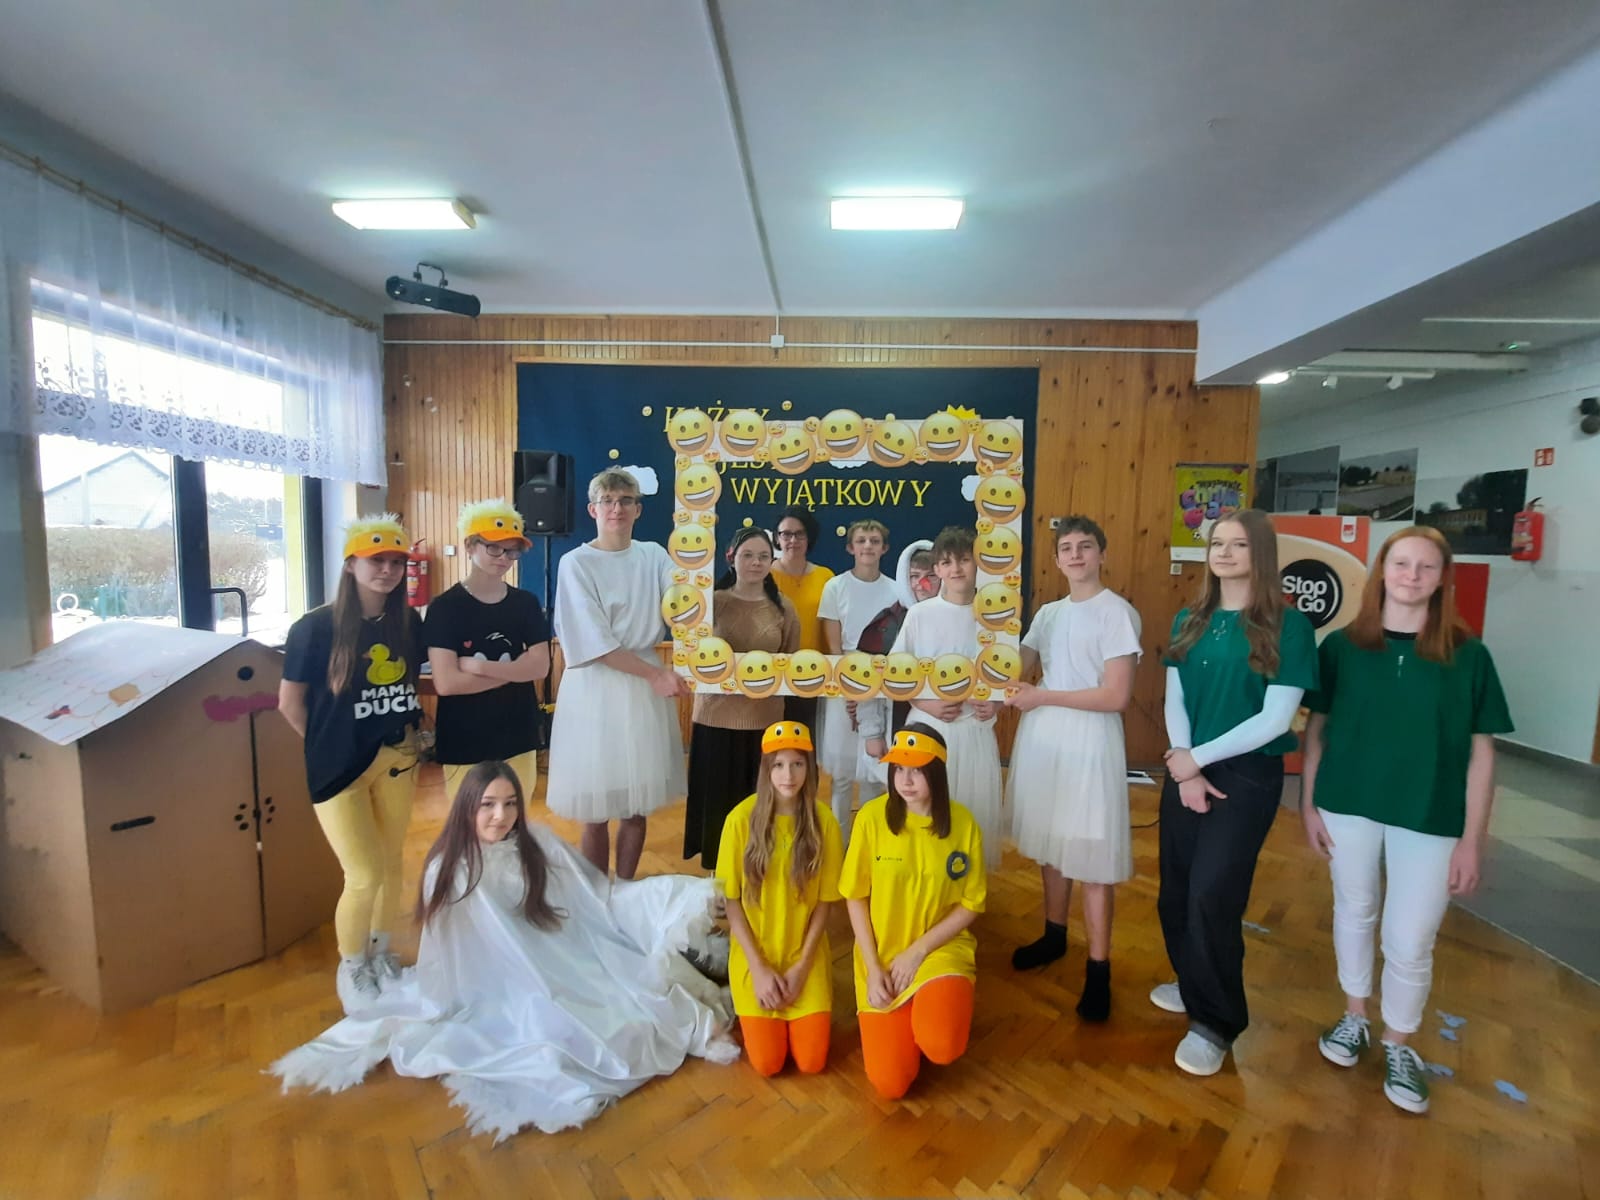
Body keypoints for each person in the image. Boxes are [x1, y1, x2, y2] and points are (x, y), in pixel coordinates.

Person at [270, 761, 738, 1141]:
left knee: (627, 1002)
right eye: (489, 805)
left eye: (510, 803)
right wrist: (536, 978)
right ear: (467, 808)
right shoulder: (450, 869)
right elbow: (471, 951)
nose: (501, 816)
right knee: (577, 1030)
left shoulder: (536, 844)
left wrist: (676, 893)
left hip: (566, 954)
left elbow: (593, 898)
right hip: (507, 981)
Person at [1300, 526, 1512, 1114]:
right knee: (1354, 909)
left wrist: (1472, 840)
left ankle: (1399, 1041)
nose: (1412, 576)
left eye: (1425, 567)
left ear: (1442, 579)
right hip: (1347, 804)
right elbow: (1316, 730)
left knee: (1411, 936)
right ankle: (1354, 1016)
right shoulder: (1342, 647)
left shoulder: (1468, 655)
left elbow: (1482, 753)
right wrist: (1308, 803)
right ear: (1382, 572)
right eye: (1401, 564)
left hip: (1431, 814)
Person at [1155, 508, 1318, 1076]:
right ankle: (1190, 980)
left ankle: (1215, 1022)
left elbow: (1275, 719)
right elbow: (1175, 698)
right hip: (1187, 768)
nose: (1223, 553)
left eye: (1239, 544)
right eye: (1217, 543)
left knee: (1212, 896)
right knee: (1176, 890)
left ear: (1261, 554)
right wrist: (1185, 766)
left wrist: (1196, 761)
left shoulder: (1287, 626)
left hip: (1246, 775)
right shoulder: (1190, 618)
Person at [279, 515, 424, 1013]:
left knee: (391, 861)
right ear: (350, 565)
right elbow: (290, 703)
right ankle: (353, 963)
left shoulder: (408, 622)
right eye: (376, 560)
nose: (387, 570)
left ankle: (381, 951)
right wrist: (329, 745)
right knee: (363, 873)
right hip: (339, 768)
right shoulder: (313, 628)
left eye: (396, 562)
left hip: (398, 758)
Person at [1005, 517, 1142, 1022]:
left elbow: (1116, 695)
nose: (1077, 554)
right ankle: (1054, 933)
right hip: (1045, 739)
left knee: (1092, 854)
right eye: (1067, 548)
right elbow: (1013, 666)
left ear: (1102, 553)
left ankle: (1099, 969)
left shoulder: (1117, 613)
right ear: (1057, 559)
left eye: (1086, 546)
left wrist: (1043, 696)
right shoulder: (1048, 613)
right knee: (1051, 841)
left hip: (1090, 740)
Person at [546, 469, 688, 878]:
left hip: (642, 691)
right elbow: (592, 641)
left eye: (625, 501)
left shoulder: (654, 555)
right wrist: (655, 676)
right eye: (607, 501)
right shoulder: (576, 563)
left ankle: (624, 888)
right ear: (593, 509)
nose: (616, 509)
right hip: (596, 688)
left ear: (638, 509)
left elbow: (682, 599)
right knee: (595, 810)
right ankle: (595, 894)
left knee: (635, 805)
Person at [840, 725, 986, 1100]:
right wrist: (874, 969)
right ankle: (914, 1017)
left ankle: (932, 1012)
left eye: (917, 771)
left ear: (937, 772)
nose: (905, 781)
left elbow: (971, 903)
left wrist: (918, 952)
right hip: (882, 957)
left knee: (942, 1044)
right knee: (890, 1084)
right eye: (899, 770)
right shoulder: (871, 818)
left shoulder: (964, 824)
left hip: (939, 950)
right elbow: (854, 897)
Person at [715, 721, 843, 1076]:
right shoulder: (739, 820)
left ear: (810, 768)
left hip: (804, 957)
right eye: (779, 765)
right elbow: (731, 901)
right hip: (756, 957)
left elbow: (825, 903)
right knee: (768, 1064)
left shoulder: (825, 823)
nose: (789, 775)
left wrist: (802, 968)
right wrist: (758, 970)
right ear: (766, 769)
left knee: (812, 1062)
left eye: (797, 764)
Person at [684, 527, 800, 869]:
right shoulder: (710, 604)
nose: (756, 562)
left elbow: (790, 661)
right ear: (731, 558)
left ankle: (757, 875)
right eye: (748, 555)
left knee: (759, 805)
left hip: (764, 723)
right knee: (717, 806)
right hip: (714, 720)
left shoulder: (784, 608)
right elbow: (692, 656)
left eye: (764, 556)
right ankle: (718, 881)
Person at [890, 526, 1005, 870]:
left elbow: (1005, 672)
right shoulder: (920, 615)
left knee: (971, 810)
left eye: (964, 560)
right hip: (928, 728)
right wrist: (925, 704)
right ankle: (921, 881)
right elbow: (897, 674)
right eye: (947, 562)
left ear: (978, 564)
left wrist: (995, 702)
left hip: (974, 732)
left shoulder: (994, 616)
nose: (956, 569)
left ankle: (964, 886)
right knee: (925, 810)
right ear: (937, 568)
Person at [424, 499, 551, 801]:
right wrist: (516, 670)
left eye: (512, 550)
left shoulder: (526, 603)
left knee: (516, 819)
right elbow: (447, 683)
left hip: (519, 734)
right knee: (469, 822)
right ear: (470, 546)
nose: (504, 557)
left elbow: (540, 667)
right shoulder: (444, 607)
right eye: (494, 547)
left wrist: (481, 667)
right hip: (464, 738)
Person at [816, 519, 901, 843]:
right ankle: (839, 844)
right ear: (851, 547)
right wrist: (849, 689)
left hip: (882, 683)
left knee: (873, 771)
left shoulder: (896, 590)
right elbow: (834, 644)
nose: (868, 546)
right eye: (862, 540)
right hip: (844, 680)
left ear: (884, 548)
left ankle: (867, 843)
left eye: (874, 540)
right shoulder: (835, 587)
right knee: (842, 776)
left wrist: (872, 690)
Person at [857, 540, 937, 755]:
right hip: (893, 722)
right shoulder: (887, 622)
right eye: (914, 576)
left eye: (930, 576)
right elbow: (869, 681)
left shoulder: (955, 618)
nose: (922, 583)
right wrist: (872, 733)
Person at [770, 507, 835, 733]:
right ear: (777, 538)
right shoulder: (764, 576)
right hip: (774, 678)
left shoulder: (826, 577)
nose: (793, 540)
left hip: (815, 676)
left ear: (809, 538)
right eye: (786, 534)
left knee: (807, 743)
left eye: (800, 534)